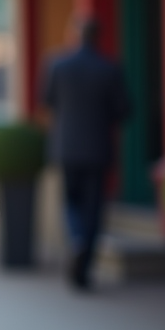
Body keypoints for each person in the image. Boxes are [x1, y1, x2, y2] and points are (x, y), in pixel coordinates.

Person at [42, 18, 131, 290]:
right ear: (98, 37)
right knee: (94, 208)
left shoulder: (57, 64)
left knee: (71, 203)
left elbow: (46, 100)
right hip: (97, 149)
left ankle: (76, 238)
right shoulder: (109, 68)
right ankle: (84, 270)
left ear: (74, 36)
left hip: (67, 148)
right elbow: (125, 110)